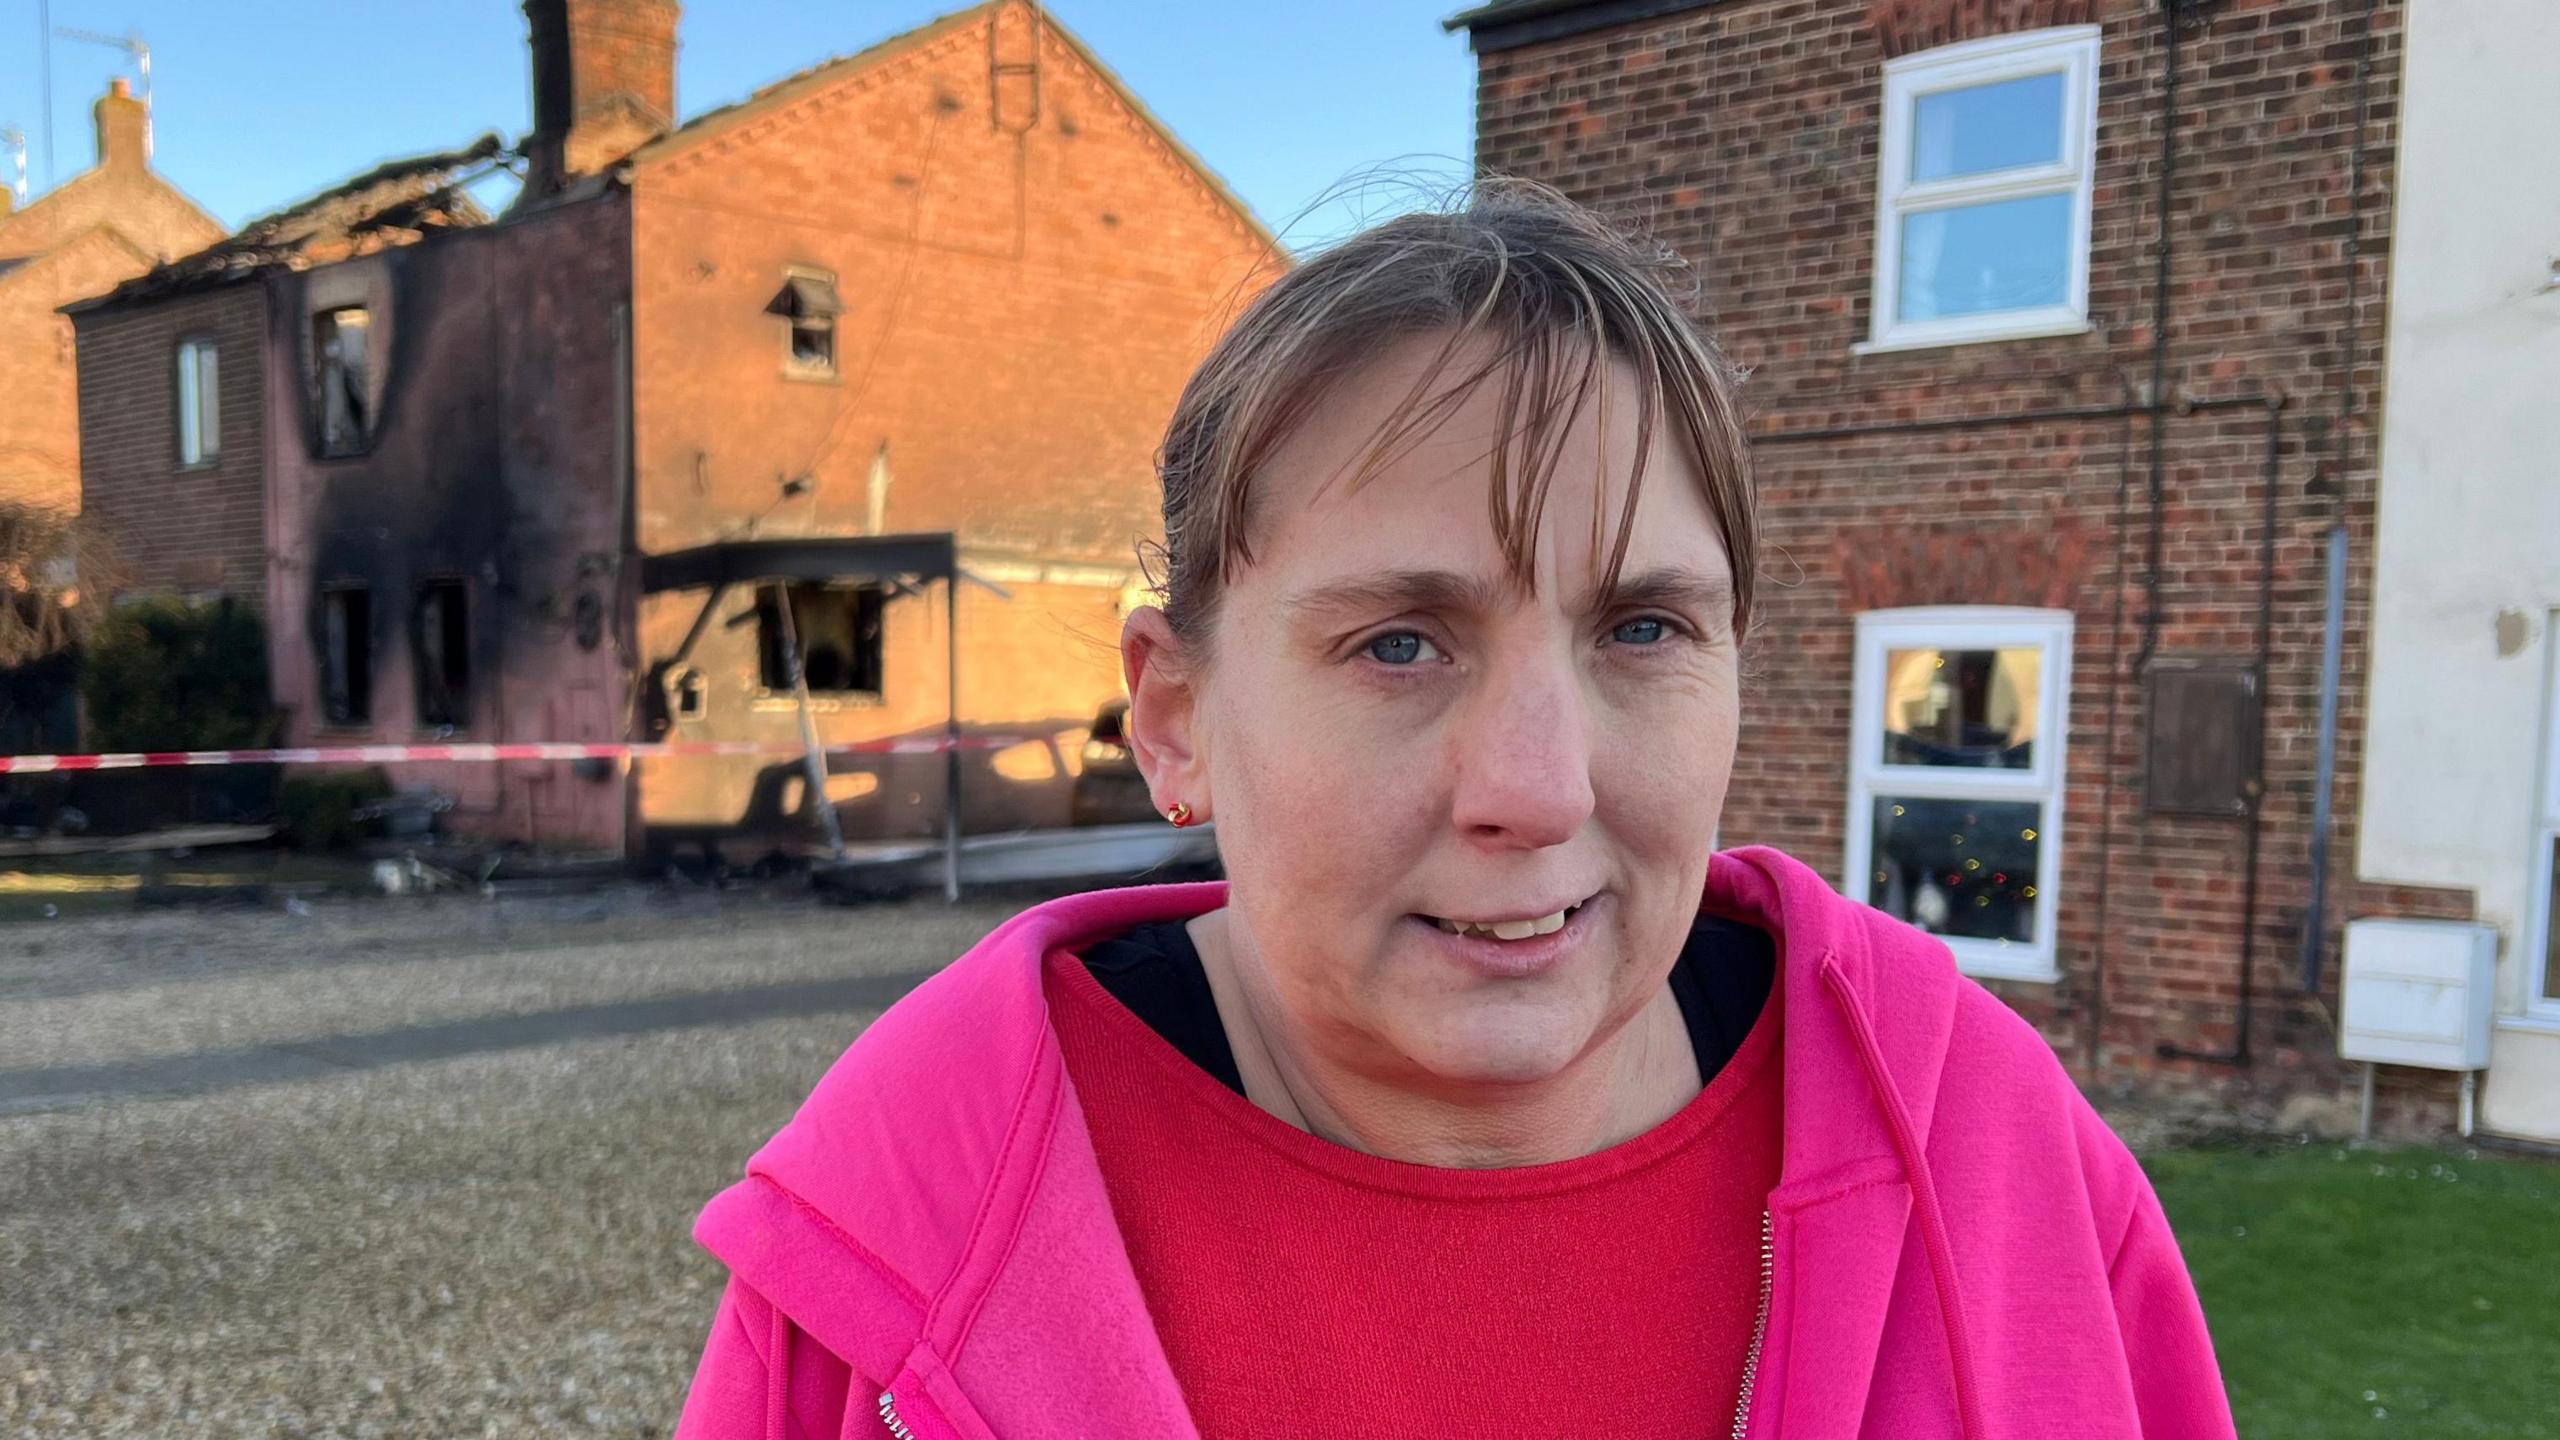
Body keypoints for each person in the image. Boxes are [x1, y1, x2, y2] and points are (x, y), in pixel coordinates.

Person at [673, 185, 2237, 1440]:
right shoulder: (883, 1264)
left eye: (1643, 630)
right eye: (1398, 644)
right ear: (1176, 719)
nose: (1538, 791)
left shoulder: (2007, 1170)